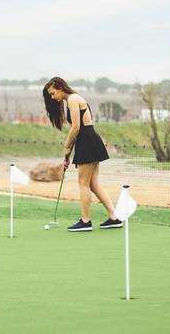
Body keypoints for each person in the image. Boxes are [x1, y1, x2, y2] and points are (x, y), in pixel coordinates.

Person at [43, 77, 121, 232]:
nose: (53, 97)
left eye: (53, 93)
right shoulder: (70, 100)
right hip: (87, 140)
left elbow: (77, 127)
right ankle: (114, 217)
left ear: (60, 87)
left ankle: (85, 221)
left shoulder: (72, 99)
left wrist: (66, 146)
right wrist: (68, 155)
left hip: (87, 141)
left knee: (83, 183)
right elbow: (77, 130)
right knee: (93, 184)